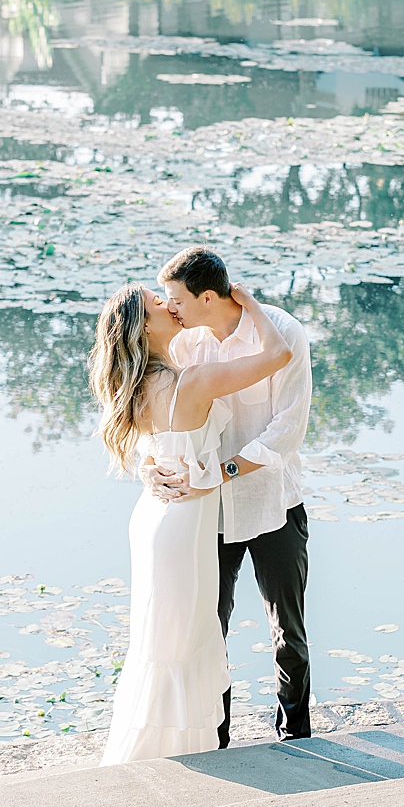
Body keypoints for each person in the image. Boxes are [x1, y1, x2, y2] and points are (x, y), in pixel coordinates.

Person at [88, 282, 292, 765]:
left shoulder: (137, 383)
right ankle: (170, 756)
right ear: (142, 324)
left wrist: (145, 465)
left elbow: (153, 444)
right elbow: (279, 353)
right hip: (181, 522)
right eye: (157, 302)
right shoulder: (191, 380)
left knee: (164, 638)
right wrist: (248, 301)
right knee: (178, 641)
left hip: (157, 515)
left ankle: (173, 751)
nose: (168, 303)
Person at [150, 247, 314, 747]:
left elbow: (288, 430)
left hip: (273, 503)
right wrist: (150, 468)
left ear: (205, 297)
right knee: (208, 629)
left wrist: (219, 474)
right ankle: (215, 737)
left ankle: (297, 736)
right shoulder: (184, 345)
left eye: (174, 298)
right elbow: (159, 417)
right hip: (206, 513)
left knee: (288, 631)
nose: (167, 306)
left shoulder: (281, 332)